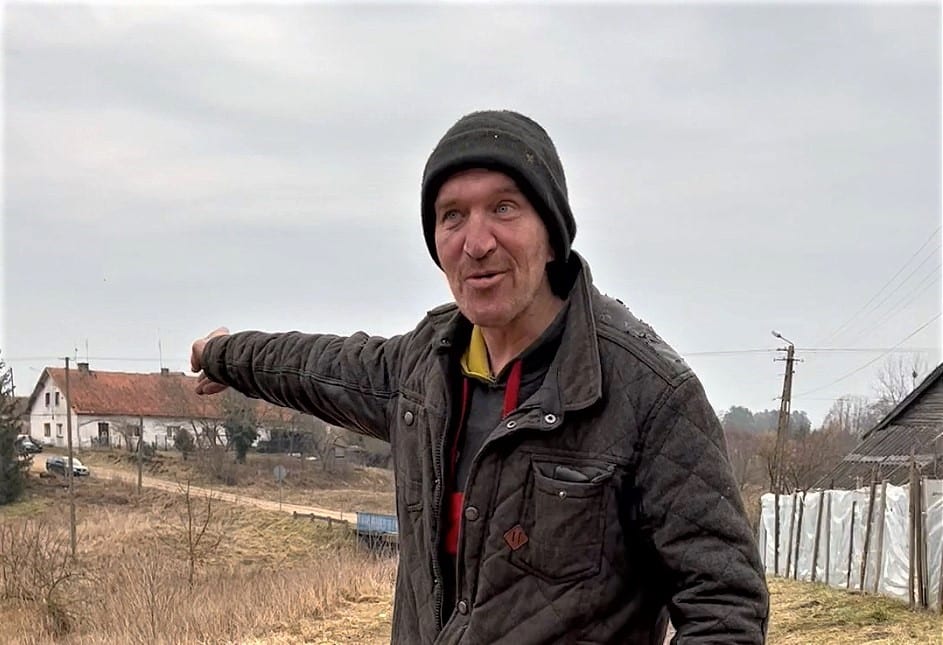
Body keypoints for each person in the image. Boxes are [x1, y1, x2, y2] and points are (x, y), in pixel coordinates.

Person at [190, 110, 769, 644]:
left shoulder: (648, 393)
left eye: (504, 208)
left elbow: (725, 607)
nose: (477, 242)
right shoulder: (424, 369)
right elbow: (316, 368)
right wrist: (224, 355)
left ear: (552, 232)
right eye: (452, 216)